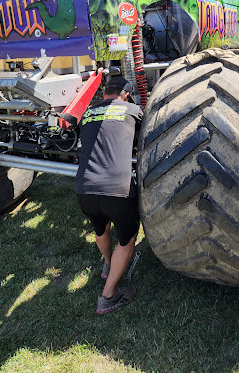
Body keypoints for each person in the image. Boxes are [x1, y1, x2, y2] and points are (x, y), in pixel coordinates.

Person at [75, 77, 143, 315]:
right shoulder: (133, 109)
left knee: (100, 229)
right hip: (117, 190)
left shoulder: (87, 112)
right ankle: (108, 295)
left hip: (84, 188)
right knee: (128, 239)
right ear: (125, 95)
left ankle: (107, 264)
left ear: (105, 94)